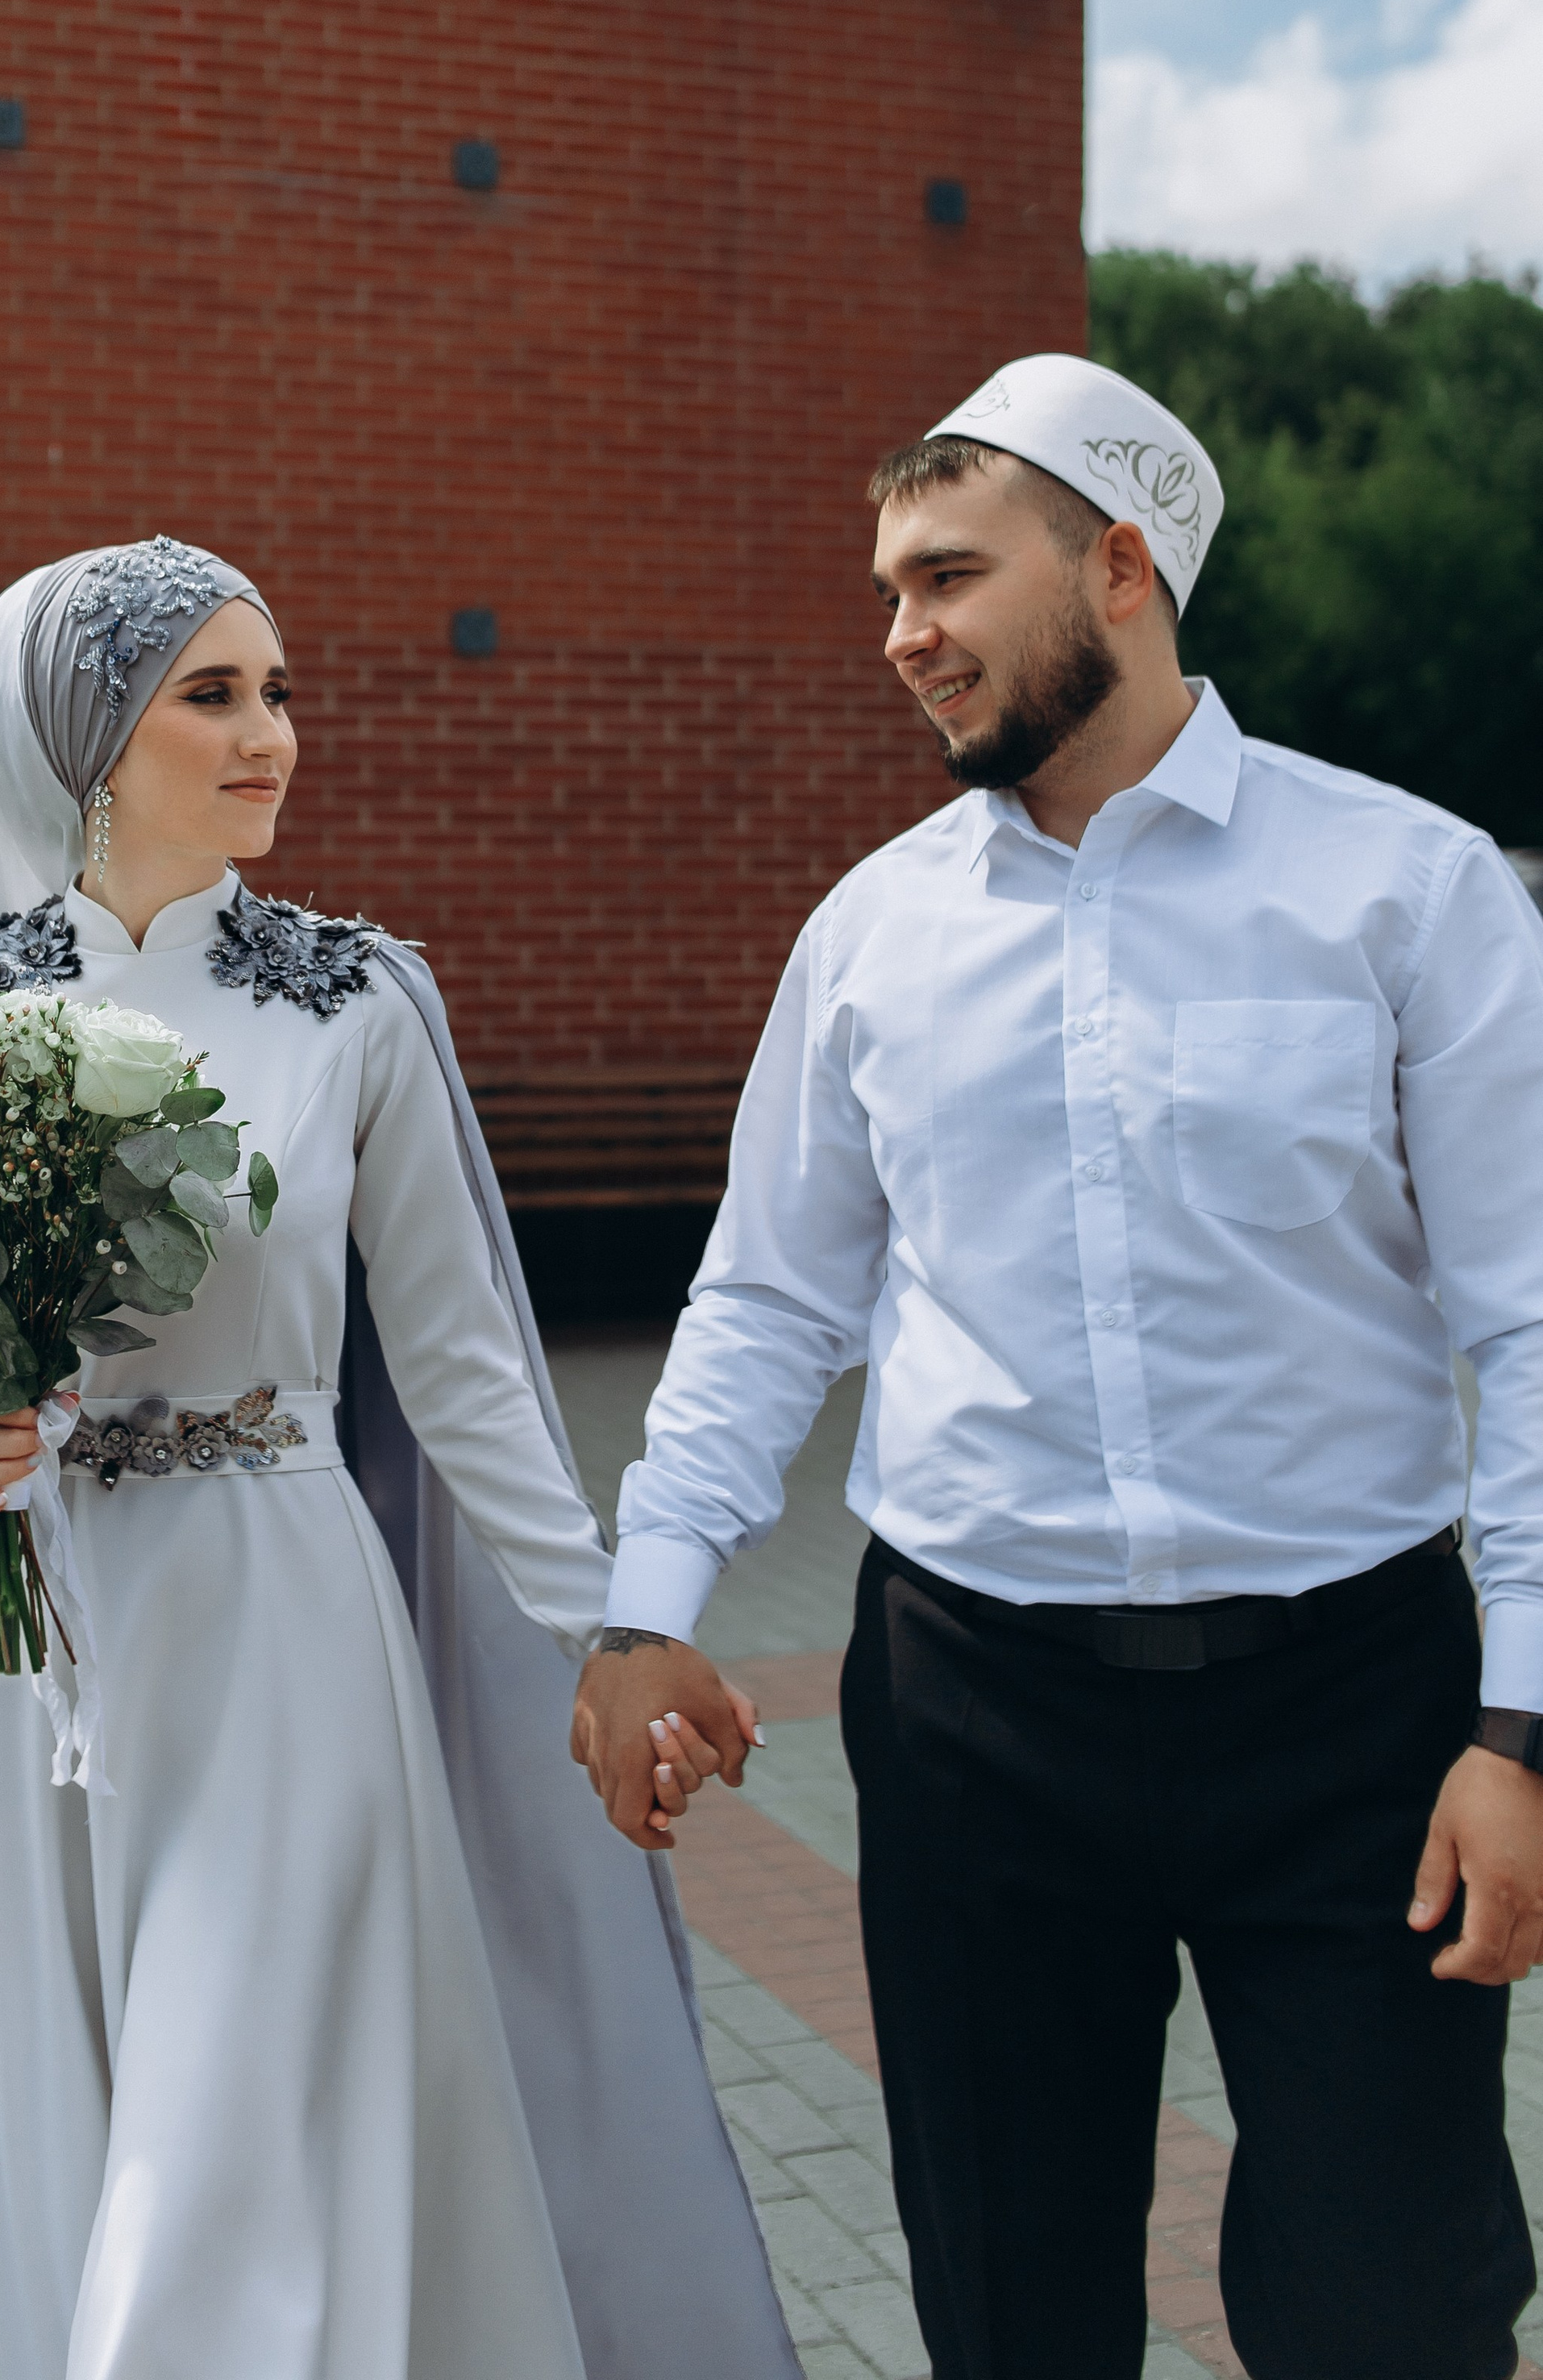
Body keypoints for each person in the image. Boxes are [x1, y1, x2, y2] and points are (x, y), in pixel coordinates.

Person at [0, 535, 799, 2380]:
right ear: (85, 741)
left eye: (277, 691)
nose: (270, 736)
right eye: (211, 695)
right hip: (19, 1654)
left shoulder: (359, 1001)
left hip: (285, 1639)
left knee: (228, 2166)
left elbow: (462, 1375)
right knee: (23, 2152)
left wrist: (605, 1628)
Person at [571, 354, 1543, 2380]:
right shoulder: (868, 934)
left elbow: (1526, 1322)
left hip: (1356, 1720)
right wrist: (644, 1607)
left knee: (1397, 2311)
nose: (899, 637)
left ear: (1116, 568)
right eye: (884, 592)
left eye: (943, 576)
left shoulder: (1408, 891)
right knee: (1009, 2312)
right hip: (969, 1715)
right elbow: (767, 1298)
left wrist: (1522, 1728)